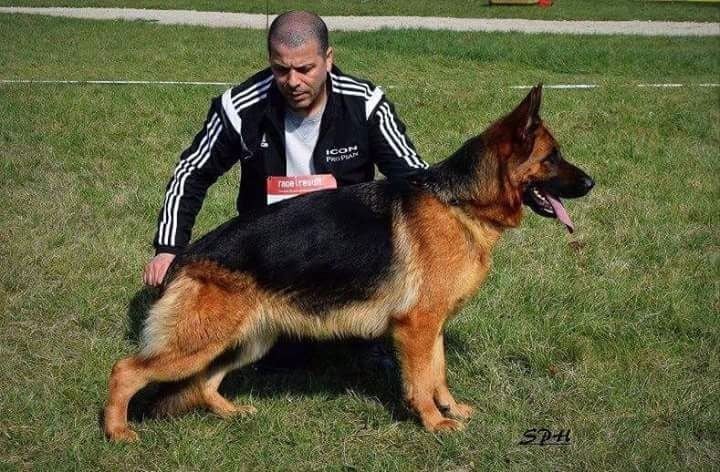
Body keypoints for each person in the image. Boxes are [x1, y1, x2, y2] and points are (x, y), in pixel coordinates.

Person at [143, 10, 428, 286]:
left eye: (305, 69)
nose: (293, 82)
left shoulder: (365, 104)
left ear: (328, 59)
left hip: (347, 253)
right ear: (270, 60)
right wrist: (169, 248)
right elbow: (192, 172)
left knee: (365, 335)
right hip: (266, 257)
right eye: (281, 69)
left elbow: (416, 180)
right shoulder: (239, 108)